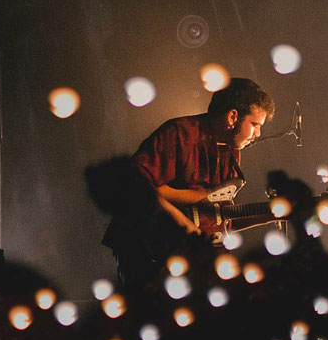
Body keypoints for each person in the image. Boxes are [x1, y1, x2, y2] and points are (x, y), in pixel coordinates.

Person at [98, 77, 275, 291]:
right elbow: (133, 184)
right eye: (255, 124)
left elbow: (218, 218)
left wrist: (273, 213)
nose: (258, 134)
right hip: (145, 249)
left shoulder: (232, 153)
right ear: (233, 116)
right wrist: (186, 226)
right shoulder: (180, 134)